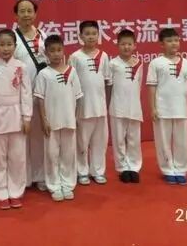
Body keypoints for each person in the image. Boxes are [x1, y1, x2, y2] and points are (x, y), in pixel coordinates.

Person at [0, 29, 33, 209]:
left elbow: (26, 93)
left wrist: (27, 117)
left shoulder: (22, 67)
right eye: (2, 45)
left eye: (9, 44)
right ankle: (1, 193)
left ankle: (16, 192)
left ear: (15, 46)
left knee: (17, 158)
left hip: (17, 115)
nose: (5, 48)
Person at [34, 35, 83, 201]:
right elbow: (40, 99)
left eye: (59, 50)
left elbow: (78, 97)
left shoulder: (72, 71)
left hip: (69, 121)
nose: (56, 54)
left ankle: (67, 184)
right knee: (52, 155)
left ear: (63, 51)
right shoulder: (44, 74)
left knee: (68, 154)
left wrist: (76, 118)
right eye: (52, 51)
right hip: (52, 122)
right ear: (46, 53)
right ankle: (54, 185)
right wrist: (44, 120)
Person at [147, 28, 187, 185]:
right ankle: (168, 169)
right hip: (162, 108)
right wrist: (153, 108)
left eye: (176, 40)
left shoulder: (186, 63)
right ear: (161, 44)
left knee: (182, 141)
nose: (173, 43)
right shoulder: (156, 63)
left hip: (181, 108)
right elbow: (151, 86)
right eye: (169, 41)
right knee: (163, 140)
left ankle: (181, 169)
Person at [69, 20, 111, 185]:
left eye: (94, 33)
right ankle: (82, 171)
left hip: (100, 107)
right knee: (82, 142)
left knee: (99, 142)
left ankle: (98, 171)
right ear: (80, 36)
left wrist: (107, 104)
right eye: (87, 34)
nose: (91, 37)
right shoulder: (75, 57)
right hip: (83, 107)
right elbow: (70, 83)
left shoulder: (104, 56)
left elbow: (107, 81)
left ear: (98, 35)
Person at [13, 0, 48, 191]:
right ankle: (24, 178)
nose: (26, 14)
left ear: (35, 14)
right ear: (16, 14)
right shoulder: (12, 38)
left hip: (41, 93)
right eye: (22, 11)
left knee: (39, 136)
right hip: (19, 95)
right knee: (21, 137)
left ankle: (40, 175)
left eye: (29, 11)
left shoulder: (43, 35)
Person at [108, 29, 144, 183]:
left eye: (129, 44)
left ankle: (134, 167)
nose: (126, 47)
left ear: (134, 45)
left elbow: (139, 85)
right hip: (117, 107)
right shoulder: (112, 64)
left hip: (134, 107)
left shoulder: (139, 63)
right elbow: (109, 86)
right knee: (119, 139)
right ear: (118, 45)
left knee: (134, 139)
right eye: (123, 44)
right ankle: (122, 168)